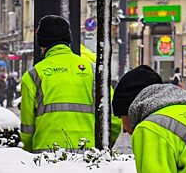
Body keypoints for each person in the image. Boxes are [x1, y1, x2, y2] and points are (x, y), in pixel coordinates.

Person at [20, 15, 121, 151]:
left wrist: (28, 151)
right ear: (68, 40)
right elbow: (113, 118)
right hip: (87, 154)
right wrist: (103, 146)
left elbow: (27, 128)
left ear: (42, 44)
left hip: (45, 155)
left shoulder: (33, 75)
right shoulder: (93, 71)